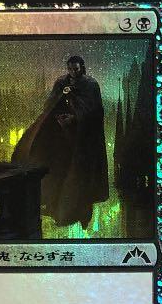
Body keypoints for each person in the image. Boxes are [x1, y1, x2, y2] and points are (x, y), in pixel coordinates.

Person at [12, 55, 109, 229]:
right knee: (58, 168)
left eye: (76, 69)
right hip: (60, 134)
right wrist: (59, 113)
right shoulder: (61, 82)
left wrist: (75, 117)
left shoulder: (91, 85)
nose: (73, 72)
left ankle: (75, 210)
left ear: (82, 68)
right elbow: (50, 104)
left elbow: (94, 111)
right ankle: (55, 205)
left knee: (77, 171)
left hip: (81, 137)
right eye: (70, 69)